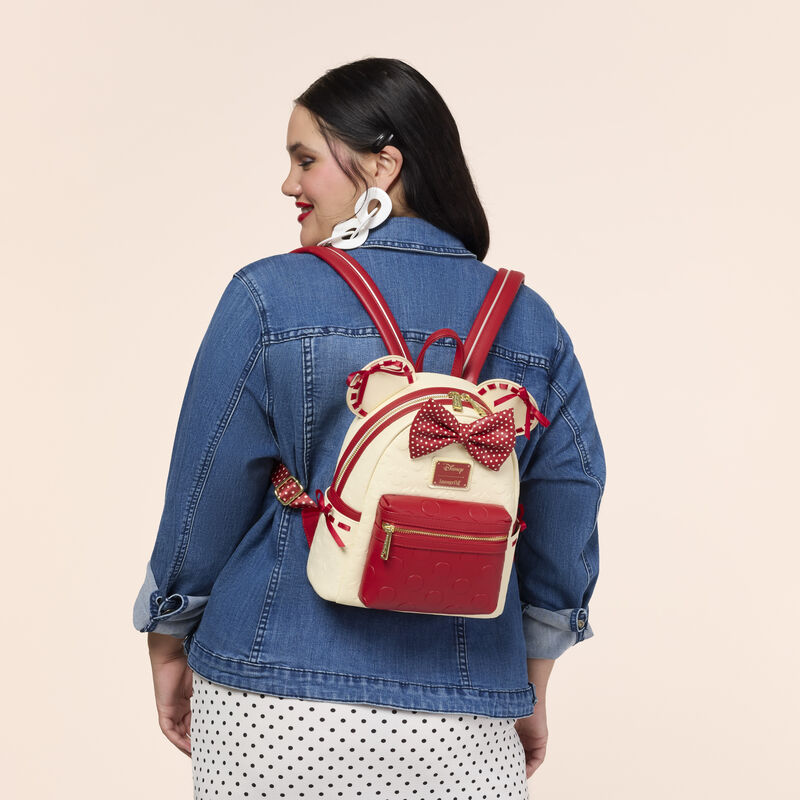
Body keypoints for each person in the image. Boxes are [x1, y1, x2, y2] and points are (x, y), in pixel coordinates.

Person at [133, 57, 605, 799]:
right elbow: (571, 493)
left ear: (383, 165)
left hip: (269, 694)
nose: (290, 184)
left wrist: (168, 631)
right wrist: (534, 668)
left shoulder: (267, 296)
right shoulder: (530, 319)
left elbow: (205, 490)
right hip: (464, 708)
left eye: (305, 159)